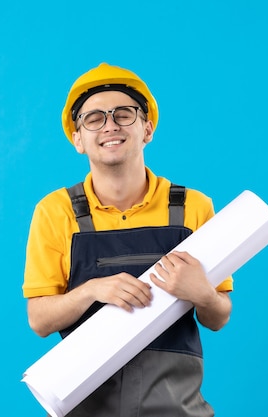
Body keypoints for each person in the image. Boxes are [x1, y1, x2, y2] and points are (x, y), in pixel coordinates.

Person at [22, 63, 233, 417]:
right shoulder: (55, 211)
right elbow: (39, 320)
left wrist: (203, 294)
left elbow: (218, 317)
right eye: (94, 118)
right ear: (78, 139)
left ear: (147, 128)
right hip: (86, 407)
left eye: (124, 114)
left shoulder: (194, 207)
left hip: (177, 409)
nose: (110, 126)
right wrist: (91, 290)